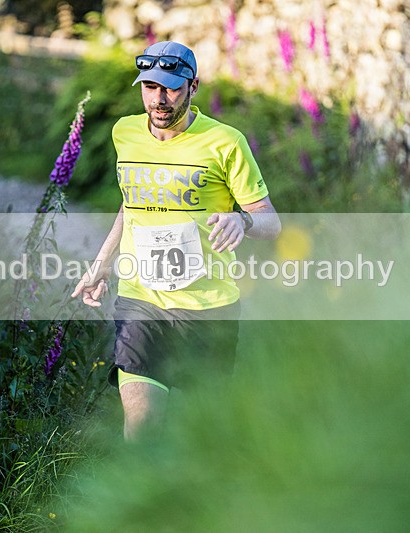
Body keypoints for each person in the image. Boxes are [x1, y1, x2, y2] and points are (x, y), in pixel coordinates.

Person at [71, 41, 281, 441]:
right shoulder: (125, 133)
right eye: (150, 87)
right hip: (141, 299)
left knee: (203, 433)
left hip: (208, 307)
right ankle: (140, 502)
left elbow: (270, 220)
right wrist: (101, 263)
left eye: (170, 87)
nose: (159, 99)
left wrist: (242, 221)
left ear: (194, 86)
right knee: (141, 422)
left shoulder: (226, 142)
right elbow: (130, 204)